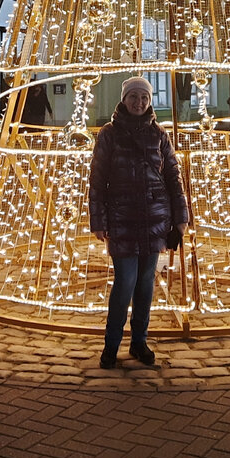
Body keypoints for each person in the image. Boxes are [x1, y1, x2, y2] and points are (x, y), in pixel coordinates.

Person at [89, 76, 188, 369]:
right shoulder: (109, 134)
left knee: (146, 284)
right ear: (124, 99)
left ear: (150, 101)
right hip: (122, 218)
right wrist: (98, 220)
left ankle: (139, 342)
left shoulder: (159, 134)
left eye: (144, 98)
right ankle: (111, 345)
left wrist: (180, 220)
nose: (139, 103)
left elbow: (173, 177)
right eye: (134, 97)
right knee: (125, 282)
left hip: (155, 218)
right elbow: (97, 180)